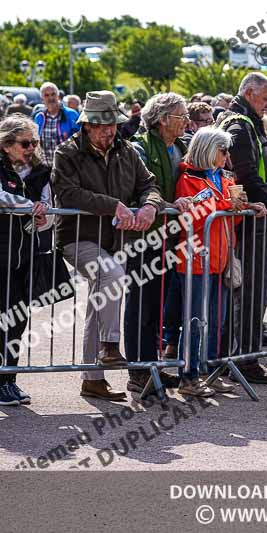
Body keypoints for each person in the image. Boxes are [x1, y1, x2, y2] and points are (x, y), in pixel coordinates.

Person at [51, 91, 164, 402]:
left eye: (113, 123)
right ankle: (111, 346)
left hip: (115, 241)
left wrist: (150, 206)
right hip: (78, 238)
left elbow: (149, 184)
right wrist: (113, 205)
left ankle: (92, 379)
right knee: (111, 275)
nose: (109, 130)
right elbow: (67, 193)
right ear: (87, 125)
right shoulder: (67, 153)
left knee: (97, 303)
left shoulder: (126, 151)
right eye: (102, 125)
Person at [216, 73, 267, 385]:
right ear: (249, 93)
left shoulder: (240, 121)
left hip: (251, 219)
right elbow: (247, 175)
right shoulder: (239, 125)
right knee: (253, 291)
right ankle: (245, 360)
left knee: (247, 291)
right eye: (266, 98)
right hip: (251, 223)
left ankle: (232, 358)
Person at [173, 127, 267, 395]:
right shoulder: (188, 178)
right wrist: (230, 206)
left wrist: (246, 207)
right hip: (195, 260)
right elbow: (197, 215)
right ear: (208, 150)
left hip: (220, 258)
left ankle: (207, 373)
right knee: (194, 321)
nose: (227, 156)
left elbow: (229, 217)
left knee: (216, 321)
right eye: (223, 151)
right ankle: (187, 377)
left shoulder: (225, 179)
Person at [126, 93, 193, 395]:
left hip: (171, 236)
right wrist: (167, 205)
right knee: (142, 304)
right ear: (164, 119)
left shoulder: (180, 147)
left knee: (160, 306)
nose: (186, 121)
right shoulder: (139, 148)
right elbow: (137, 191)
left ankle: (152, 366)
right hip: (143, 237)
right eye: (181, 115)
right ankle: (138, 372)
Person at [0, 115, 53, 405]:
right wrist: (27, 206)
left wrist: (44, 214)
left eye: (34, 142)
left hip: (27, 255)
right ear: (7, 145)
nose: (31, 147)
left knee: (18, 318)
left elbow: (49, 210)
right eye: (24, 143)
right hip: (2, 254)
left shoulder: (41, 171)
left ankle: (9, 378)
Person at [32, 82, 81, 167]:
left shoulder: (71, 114)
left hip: (67, 168)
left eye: (53, 94)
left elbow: (80, 139)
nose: (50, 98)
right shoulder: (39, 117)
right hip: (45, 168)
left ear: (58, 96)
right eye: (46, 95)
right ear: (42, 99)